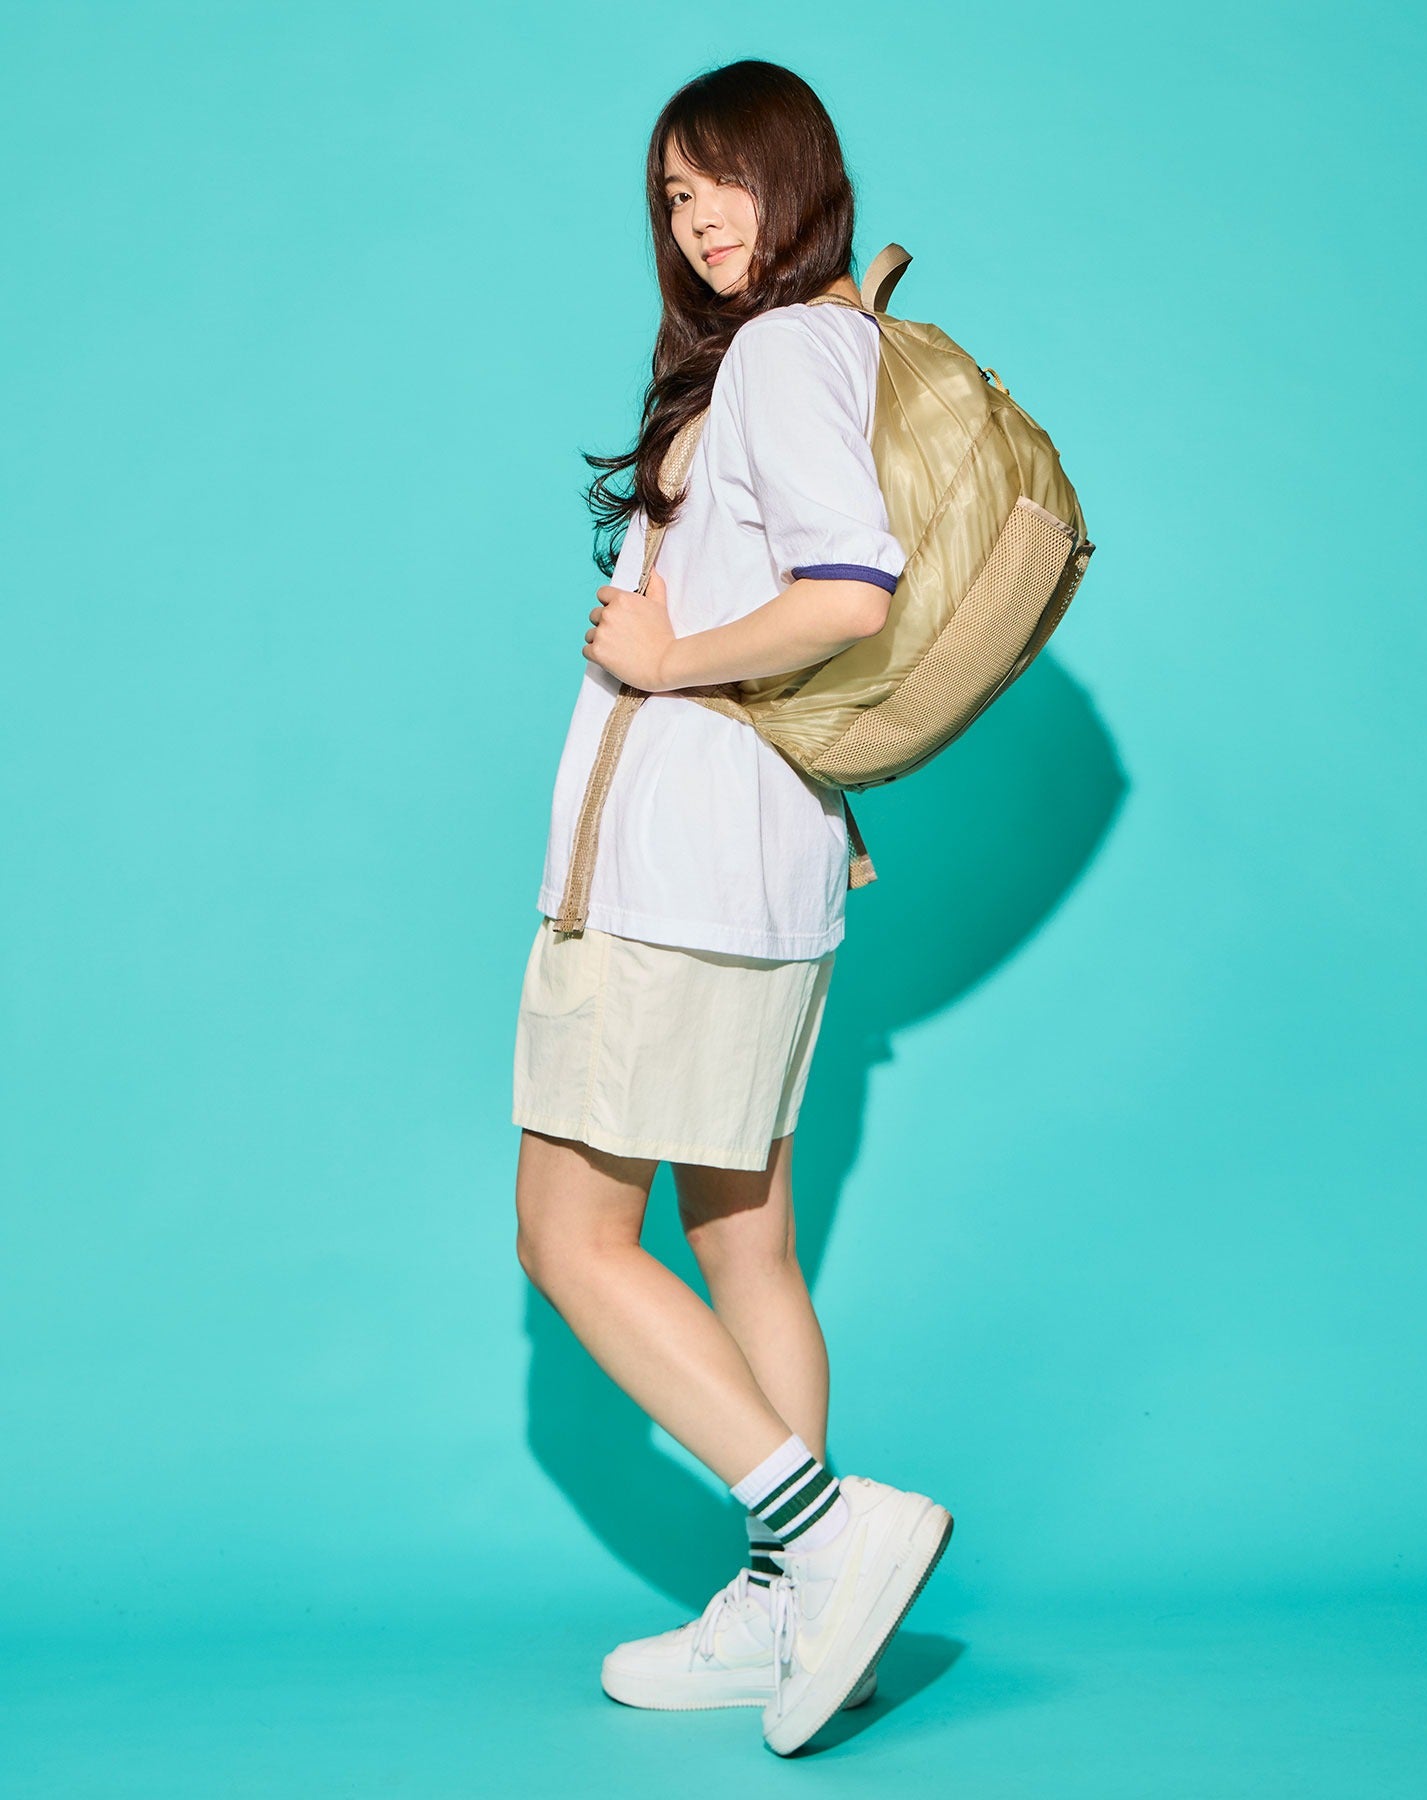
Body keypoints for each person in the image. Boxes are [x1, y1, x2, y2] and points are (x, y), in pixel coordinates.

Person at [511, 58, 953, 1756]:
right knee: (743, 1237)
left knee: (570, 1239)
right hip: (761, 871)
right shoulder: (821, 342)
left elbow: (851, 595)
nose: (699, 219)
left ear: (798, 173)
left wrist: (668, 655)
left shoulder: (778, 353)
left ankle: (821, 1534)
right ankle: (791, 1611)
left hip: (676, 881)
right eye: (675, 195)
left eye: (726, 180)